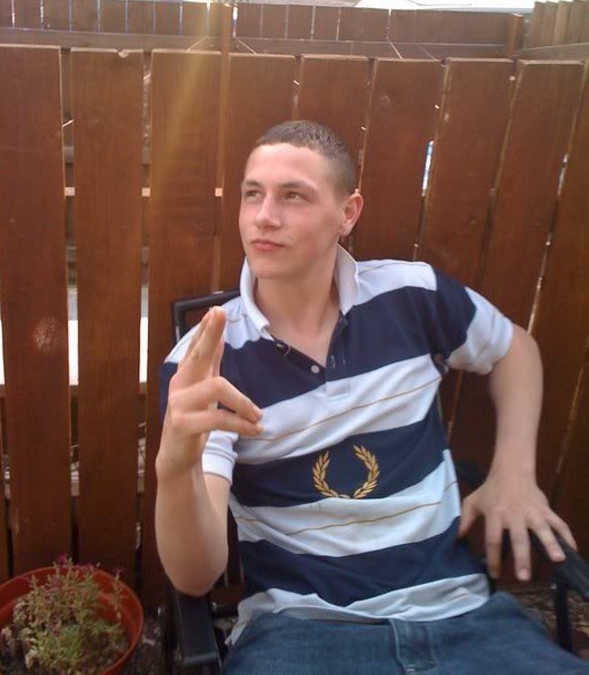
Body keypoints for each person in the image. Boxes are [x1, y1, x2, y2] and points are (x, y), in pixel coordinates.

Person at [156, 120, 587, 674]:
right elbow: (196, 577)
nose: (264, 216)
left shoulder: (413, 297)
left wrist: (514, 473)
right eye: (252, 194)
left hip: (464, 619)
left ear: (348, 213)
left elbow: (514, 350)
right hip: (303, 635)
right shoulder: (209, 360)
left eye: (293, 196)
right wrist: (176, 466)